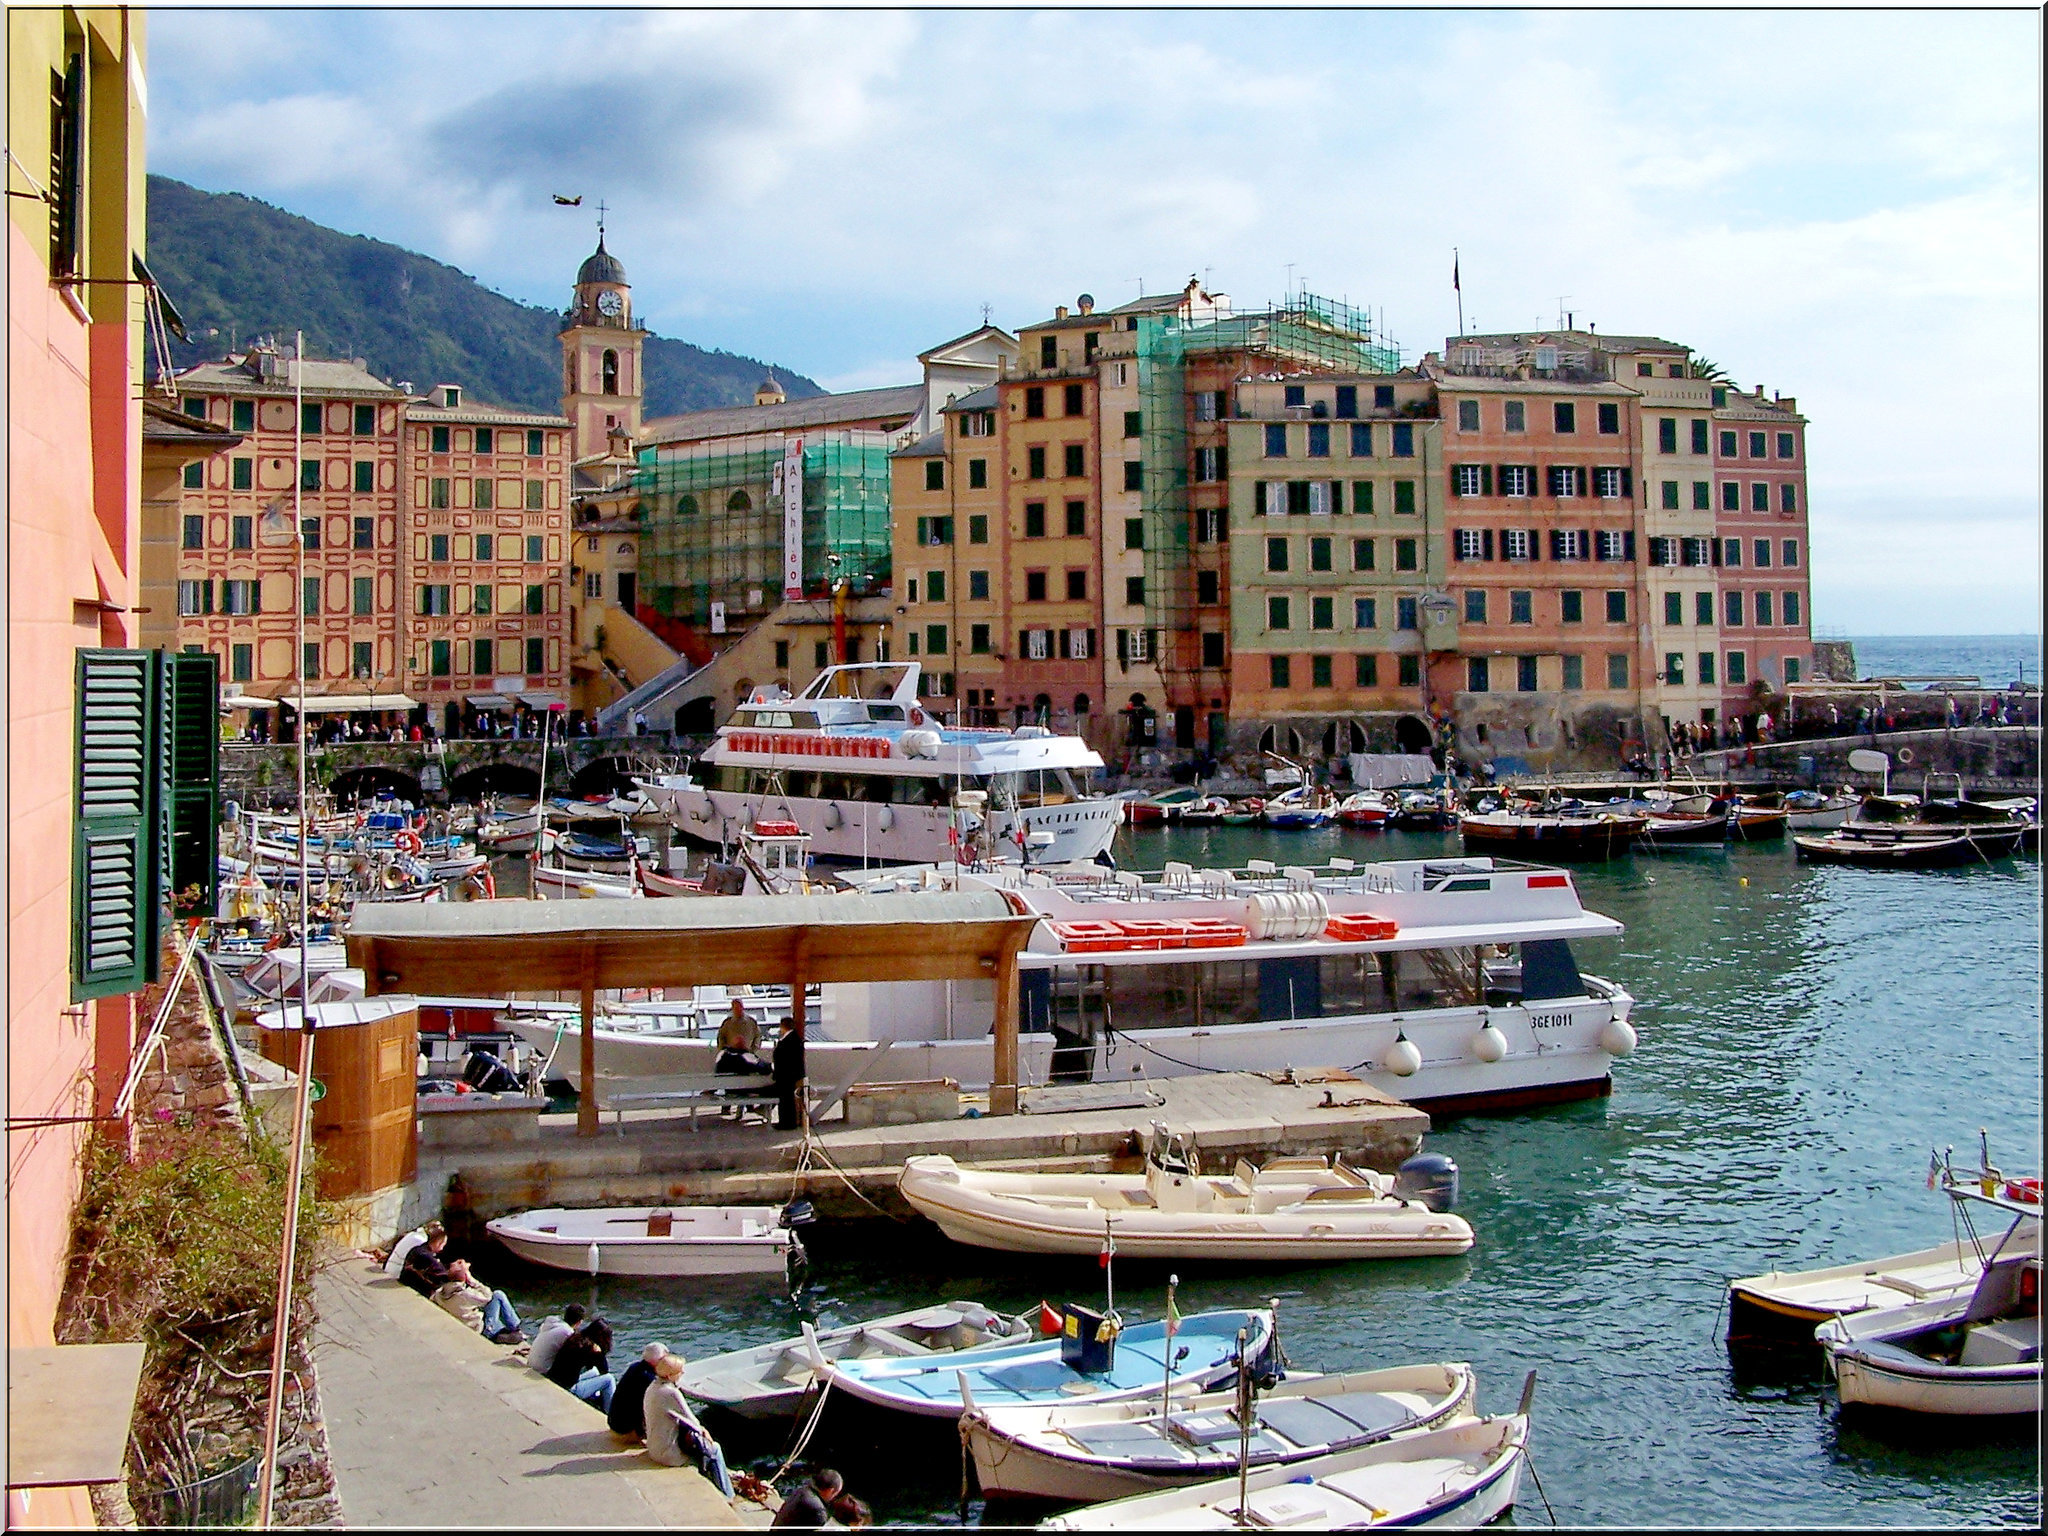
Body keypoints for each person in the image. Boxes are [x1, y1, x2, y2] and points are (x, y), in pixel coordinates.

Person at [643, 1354, 735, 1495]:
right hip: (668, 1454)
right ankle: (728, 1494)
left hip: (654, 1448)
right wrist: (704, 1431)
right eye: (680, 1371)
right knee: (715, 1449)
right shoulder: (671, 1393)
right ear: (669, 1375)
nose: (683, 1373)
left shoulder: (652, 1387)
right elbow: (693, 1421)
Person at [548, 1316, 616, 1413]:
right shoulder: (589, 1348)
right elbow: (604, 1370)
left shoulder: (577, 1338)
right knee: (609, 1379)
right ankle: (611, 1413)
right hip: (569, 1388)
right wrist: (600, 1354)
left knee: (595, 1373)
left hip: (557, 1379)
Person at [608, 1341, 668, 1439]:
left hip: (614, 1422)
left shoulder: (635, 1367)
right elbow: (641, 1407)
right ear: (657, 1360)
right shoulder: (648, 1378)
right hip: (625, 1428)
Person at [526, 1303, 585, 1376]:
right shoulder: (568, 1332)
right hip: (544, 1369)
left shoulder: (551, 1322)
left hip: (531, 1362)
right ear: (580, 1322)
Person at [772, 1468, 842, 1527]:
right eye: (836, 1493)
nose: (834, 1497)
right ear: (830, 1490)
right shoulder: (818, 1511)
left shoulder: (802, 1489)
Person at [772, 1012, 806, 1131]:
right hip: (789, 1075)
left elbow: (786, 1058)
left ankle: (787, 1123)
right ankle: (786, 1121)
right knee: (786, 1100)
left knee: (787, 1101)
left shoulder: (790, 1040)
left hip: (787, 1076)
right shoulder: (794, 1038)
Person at [715, 998, 767, 1076]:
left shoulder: (751, 1022)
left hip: (747, 1053)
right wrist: (724, 1049)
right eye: (734, 1007)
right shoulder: (727, 1023)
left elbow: (757, 1036)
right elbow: (721, 1037)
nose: (737, 1010)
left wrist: (753, 1049)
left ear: (742, 1007)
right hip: (731, 1056)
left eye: (739, 1007)